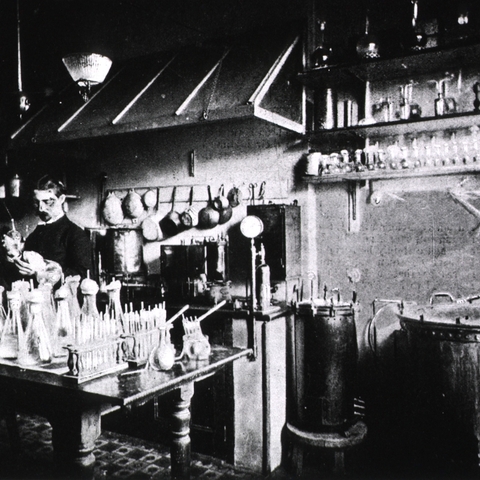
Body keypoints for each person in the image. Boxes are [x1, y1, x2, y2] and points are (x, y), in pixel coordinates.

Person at [2, 175, 93, 287]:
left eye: (48, 201)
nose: (41, 208)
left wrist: (40, 272)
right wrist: (13, 255)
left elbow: (83, 277)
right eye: (37, 202)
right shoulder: (35, 235)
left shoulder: (75, 234)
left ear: (61, 199)